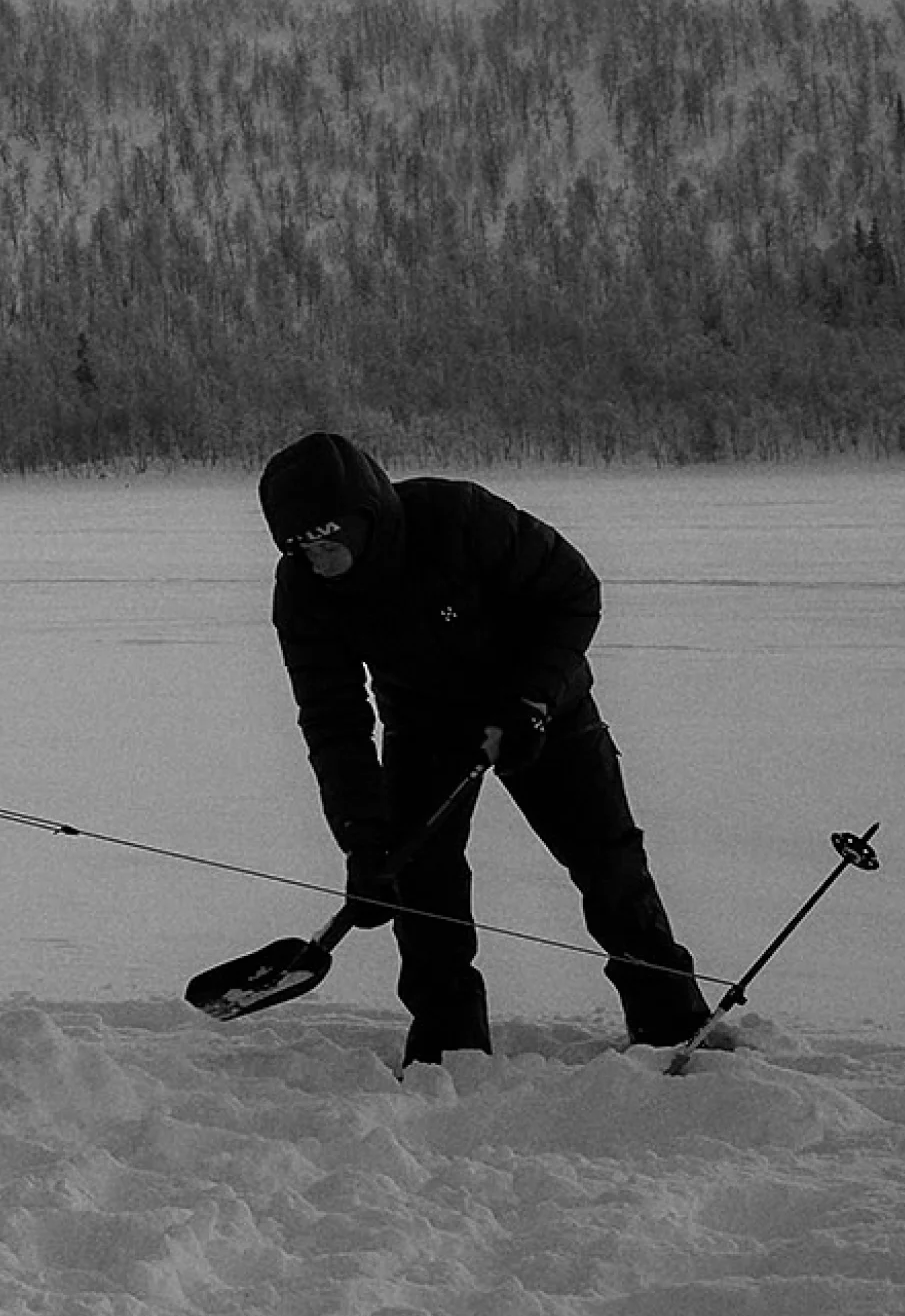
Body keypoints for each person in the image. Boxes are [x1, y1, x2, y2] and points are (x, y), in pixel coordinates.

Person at [258, 430, 715, 1066]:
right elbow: (333, 722)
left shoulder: (457, 520)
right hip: (424, 725)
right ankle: (449, 1046)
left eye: (329, 540)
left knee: (608, 864)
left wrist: (529, 703)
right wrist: (363, 841)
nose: (319, 559)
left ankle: (672, 1023)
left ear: (362, 519)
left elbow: (575, 591)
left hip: (541, 706)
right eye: (300, 547)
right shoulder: (305, 593)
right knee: (419, 883)